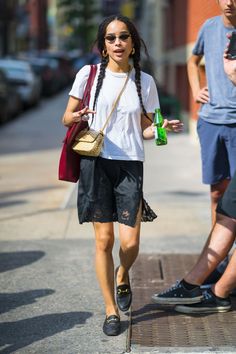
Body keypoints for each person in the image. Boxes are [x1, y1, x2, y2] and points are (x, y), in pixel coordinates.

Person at [61, 15, 183, 336]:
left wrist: (160, 127)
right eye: (111, 38)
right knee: (104, 240)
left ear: (132, 43)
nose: (117, 43)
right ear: (103, 45)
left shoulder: (145, 82)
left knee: (130, 243)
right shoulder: (88, 75)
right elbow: (66, 117)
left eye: (123, 37)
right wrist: (77, 115)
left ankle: (122, 274)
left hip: (130, 164)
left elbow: (147, 129)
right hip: (97, 163)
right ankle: (110, 310)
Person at [151, 38, 236, 314]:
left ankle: (220, 293)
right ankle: (191, 284)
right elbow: (192, 60)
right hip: (217, 120)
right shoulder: (213, 30)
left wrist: (232, 73)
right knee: (226, 211)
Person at [187, 0, 236, 226]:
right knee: (217, 193)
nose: (230, 2)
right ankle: (219, 256)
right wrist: (197, 91)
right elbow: (192, 60)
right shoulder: (209, 27)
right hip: (211, 122)